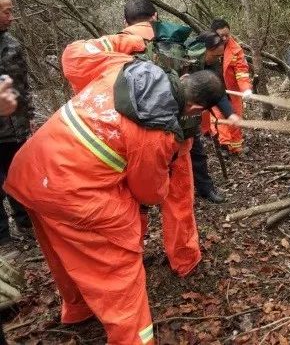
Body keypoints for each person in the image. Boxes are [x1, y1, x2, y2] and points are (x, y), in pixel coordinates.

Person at [4, 57, 226, 344]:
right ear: (195, 109)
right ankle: (133, 339)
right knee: (119, 269)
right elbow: (149, 193)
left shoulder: (125, 70)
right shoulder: (157, 132)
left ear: (183, 78)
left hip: (30, 173)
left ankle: (78, 309)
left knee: (65, 252)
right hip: (72, 192)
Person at [120, 0, 227, 203]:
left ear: (125, 22)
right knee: (180, 160)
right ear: (155, 16)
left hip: (176, 111)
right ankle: (157, 197)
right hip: (154, 119)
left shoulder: (170, 40)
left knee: (190, 154)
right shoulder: (125, 45)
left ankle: (201, 188)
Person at [0, 0, 34, 245]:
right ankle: (3, 237)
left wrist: (29, 115)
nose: (11, 16)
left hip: (17, 127)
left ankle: (27, 226)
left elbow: (24, 86)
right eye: (6, 11)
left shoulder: (12, 45)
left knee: (20, 178)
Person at [209, 18, 252, 154]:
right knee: (219, 117)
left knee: (235, 116)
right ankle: (224, 146)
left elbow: (242, 71)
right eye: (221, 36)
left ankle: (236, 146)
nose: (225, 38)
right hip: (213, 89)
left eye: (227, 34)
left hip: (232, 91)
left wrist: (246, 89)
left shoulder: (235, 49)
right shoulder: (207, 47)